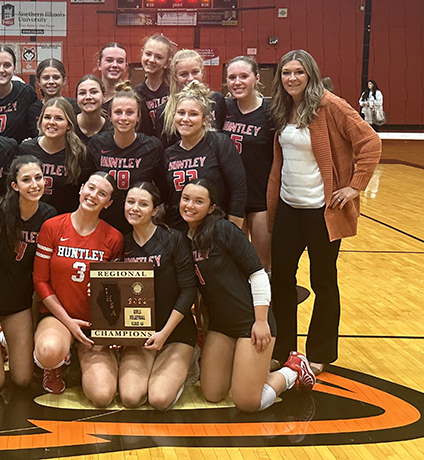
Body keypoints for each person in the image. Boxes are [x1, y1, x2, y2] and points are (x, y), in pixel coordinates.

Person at [268, 50, 381, 376]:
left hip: (322, 211)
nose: (292, 78)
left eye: (298, 73)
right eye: (286, 73)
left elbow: (370, 143)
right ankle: (283, 348)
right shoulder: (283, 107)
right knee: (282, 282)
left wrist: (354, 187)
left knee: (323, 282)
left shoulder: (330, 105)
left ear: (311, 75)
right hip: (289, 208)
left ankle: (320, 351)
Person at [180, 179, 316, 413]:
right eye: (186, 199)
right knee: (213, 393)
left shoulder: (224, 230)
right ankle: (244, 369)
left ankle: (293, 369)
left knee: (248, 402)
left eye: (199, 201)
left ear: (212, 207)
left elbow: (259, 274)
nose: (190, 205)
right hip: (221, 326)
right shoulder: (187, 238)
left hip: (250, 322)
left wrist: (261, 321)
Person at [32, 172, 124, 403]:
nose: (93, 195)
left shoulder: (114, 238)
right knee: (49, 351)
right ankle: (56, 363)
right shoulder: (52, 226)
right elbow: (40, 281)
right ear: (81, 188)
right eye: (91, 188)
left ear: (108, 203)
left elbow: (113, 289)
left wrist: (112, 326)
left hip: (93, 321)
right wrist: (69, 323)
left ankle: (80, 358)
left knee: (102, 396)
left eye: (102, 194)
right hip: (59, 316)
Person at [0, 156, 57, 392]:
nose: (34, 185)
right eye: (26, 180)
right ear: (14, 185)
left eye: (38, 178)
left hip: (18, 303)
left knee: (23, 379)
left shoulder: (49, 216)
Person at [119, 183, 197, 410]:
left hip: (174, 332)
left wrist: (164, 334)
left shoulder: (174, 239)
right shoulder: (122, 242)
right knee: (131, 398)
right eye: (130, 202)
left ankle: (190, 364)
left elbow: (188, 291)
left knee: (159, 399)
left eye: (143, 204)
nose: (135, 208)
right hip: (138, 334)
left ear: (154, 210)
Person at [163, 81, 246, 230]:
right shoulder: (169, 154)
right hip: (179, 232)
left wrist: (233, 233)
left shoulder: (219, 143)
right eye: (181, 113)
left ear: (205, 120)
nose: (185, 119)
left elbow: (238, 189)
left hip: (215, 230)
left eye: (193, 114)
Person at [86, 86, 164, 233]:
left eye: (130, 113)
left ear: (139, 116)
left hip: (138, 222)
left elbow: (161, 188)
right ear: (109, 116)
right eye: (118, 112)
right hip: (103, 220)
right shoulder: (97, 143)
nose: (123, 118)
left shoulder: (152, 146)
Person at [222, 57, 274, 270]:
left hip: (261, 198)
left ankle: (266, 303)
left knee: (261, 263)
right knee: (237, 263)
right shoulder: (224, 109)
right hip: (233, 199)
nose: (238, 82)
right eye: (232, 77)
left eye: (244, 76)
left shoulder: (270, 112)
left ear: (257, 79)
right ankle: (240, 304)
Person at [18, 97, 95, 215]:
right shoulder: (25, 149)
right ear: (40, 121)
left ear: (69, 124)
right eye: (47, 117)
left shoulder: (80, 154)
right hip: (32, 218)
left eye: (59, 118)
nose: (52, 122)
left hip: (65, 219)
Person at [155, 49, 227, 149]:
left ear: (202, 72)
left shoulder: (217, 100)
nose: (190, 78)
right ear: (175, 77)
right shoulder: (163, 111)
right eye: (183, 74)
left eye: (195, 72)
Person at [134, 34, 175, 137]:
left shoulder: (174, 89)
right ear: (142, 54)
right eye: (148, 54)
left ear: (167, 63)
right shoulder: (136, 93)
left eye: (159, 57)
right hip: (148, 148)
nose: (151, 60)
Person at [75, 74, 112, 145]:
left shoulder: (112, 130)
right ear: (76, 99)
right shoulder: (68, 127)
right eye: (82, 93)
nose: (88, 97)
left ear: (104, 97)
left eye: (94, 92)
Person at [96, 43, 128, 111]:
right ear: (99, 65)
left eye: (120, 61)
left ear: (126, 67)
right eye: (109, 60)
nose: (115, 65)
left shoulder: (131, 99)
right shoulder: (90, 97)